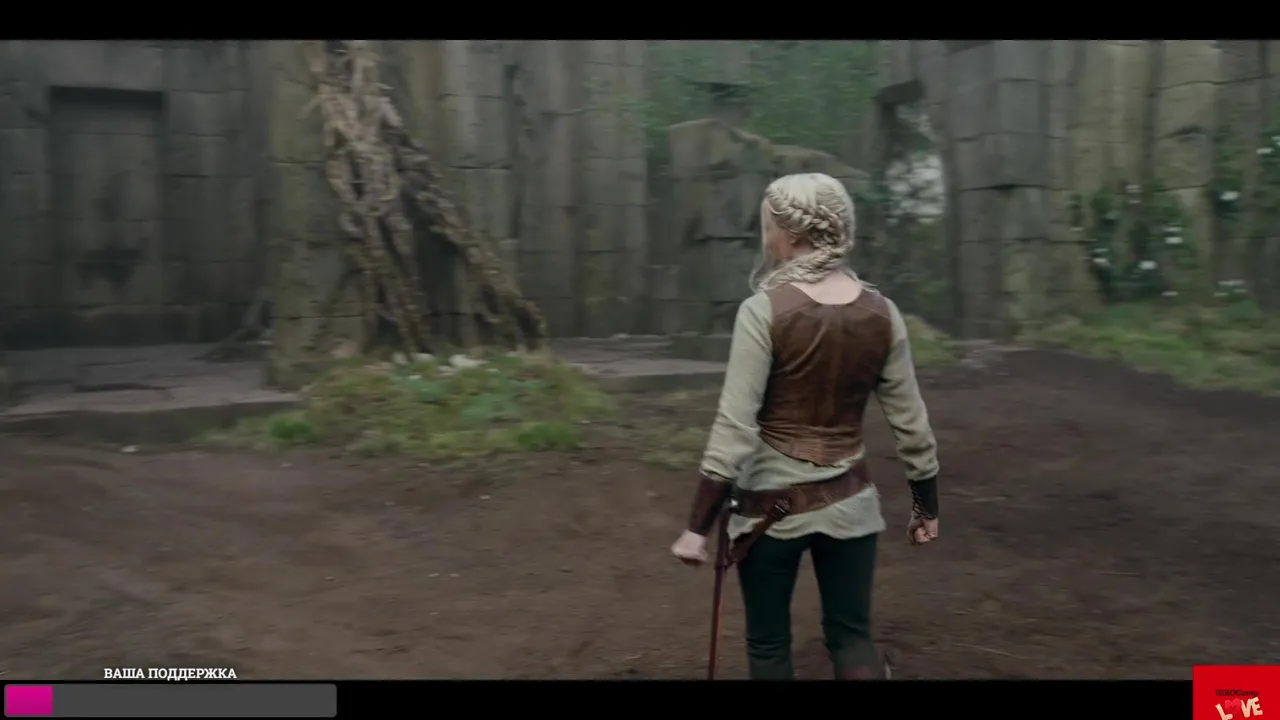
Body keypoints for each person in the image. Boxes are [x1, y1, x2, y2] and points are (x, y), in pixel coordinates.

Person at [670, 172, 941, 680]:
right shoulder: (883, 313)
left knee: (769, 644)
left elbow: (734, 426)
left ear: (792, 235)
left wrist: (695, 529)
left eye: (769, 226)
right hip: (852, 508)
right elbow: (913, 425)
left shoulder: (762, 311)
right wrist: (926, 506)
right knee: (851, 637)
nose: (767, 237)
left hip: (768, 514)